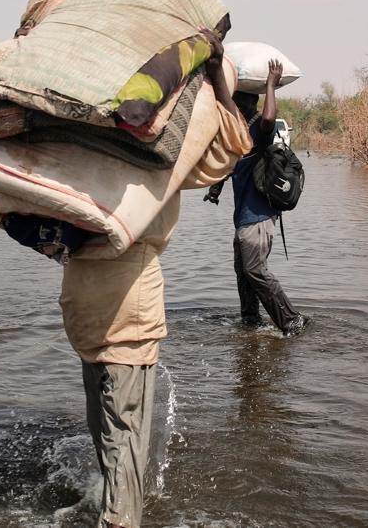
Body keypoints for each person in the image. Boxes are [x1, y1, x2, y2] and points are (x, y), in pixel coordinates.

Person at [58, 30, 252, 528]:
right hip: (131, 291)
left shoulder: (73, 146)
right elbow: (229, 148)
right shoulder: (162, 147)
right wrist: (215, 77)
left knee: (101, 413)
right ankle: (120, 519)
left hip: (78, 289)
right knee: (127, 424)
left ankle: (106, 502)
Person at [204, 60, 310, 337]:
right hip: (243, 218)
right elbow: (233, 165)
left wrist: (270, 85)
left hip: (258, 217)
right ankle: (250, 321)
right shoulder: (239, 134)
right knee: (243, 272)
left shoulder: (260, 132)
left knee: (254, 270)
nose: (232, 107)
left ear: (247, 104)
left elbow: (267, 119)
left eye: (236, 102)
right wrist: (216, 188)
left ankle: (291, 319)